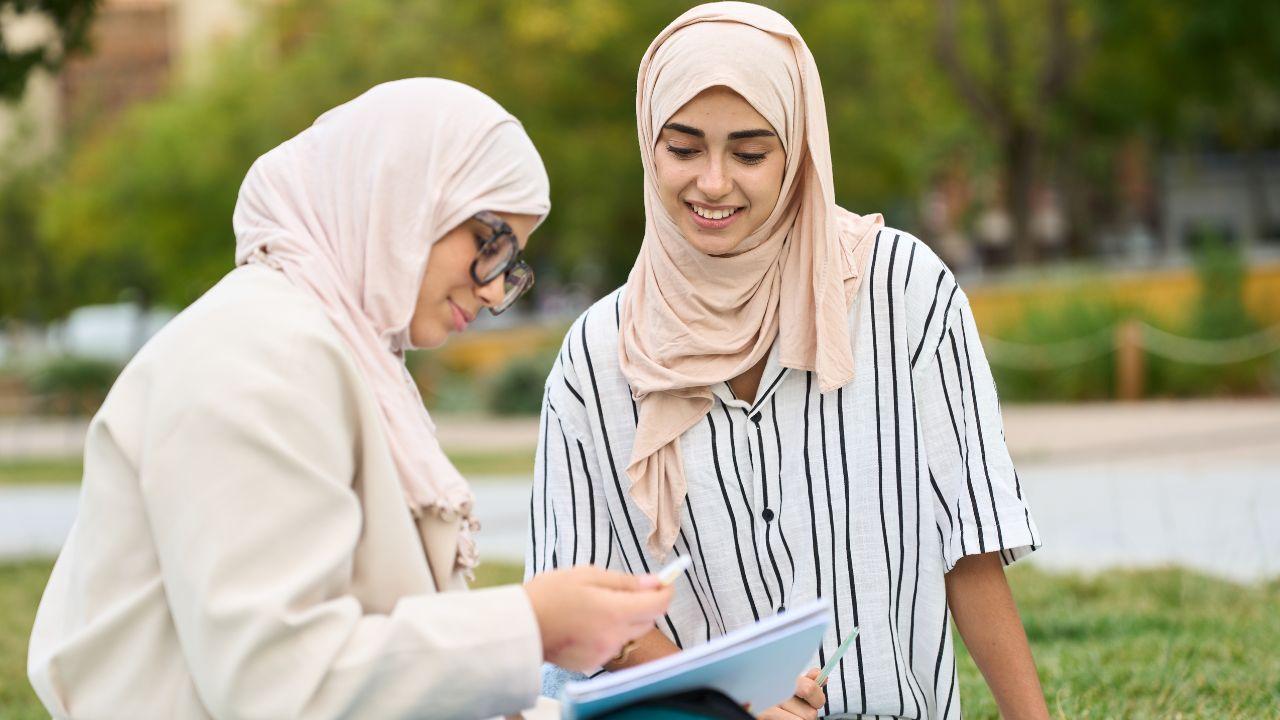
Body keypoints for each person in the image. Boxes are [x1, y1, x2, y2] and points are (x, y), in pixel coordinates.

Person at [28, 78, 671, 720]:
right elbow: (279, 685)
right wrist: (530, 624)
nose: (493, 290)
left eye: (513, 266)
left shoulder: (340, 355)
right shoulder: (255, 352)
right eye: (492, 244)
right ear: (404, 193)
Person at [527, 4, 1047, 719]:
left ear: (797, 148)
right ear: (649, 147)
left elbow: (970, 549)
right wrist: (733, 706)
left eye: (748, 153)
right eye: (683, 149)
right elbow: (586, 616)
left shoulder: (904, 292)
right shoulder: (594, 360)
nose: (713, 183)